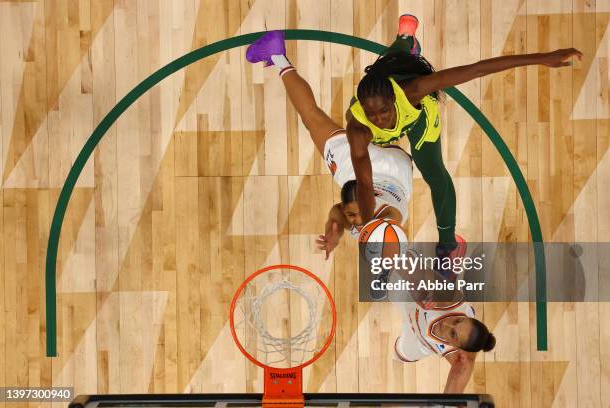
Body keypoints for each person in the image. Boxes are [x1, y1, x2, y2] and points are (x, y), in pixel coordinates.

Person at [246, 15, 582, 278]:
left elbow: (477, 69)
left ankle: (401, 42)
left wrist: (543, 58)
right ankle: (447, 247)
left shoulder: (413, 90)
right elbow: (363, 182)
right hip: (382, 164)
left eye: (383, 110)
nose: (379, 118)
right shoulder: (358, 122)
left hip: (415, 122)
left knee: (431, 171)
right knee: (322, 115)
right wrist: (365, 218)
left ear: (394, 96)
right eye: (373, 112)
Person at [245, 32, 413, 260]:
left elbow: (339, 211)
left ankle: (405, 50)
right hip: (385, 169)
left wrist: (334, 228)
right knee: (311, 116)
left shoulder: (361, 217)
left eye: (350, 214)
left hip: (397, 169)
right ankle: (277, 54)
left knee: (379, 98)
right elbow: (392, 240)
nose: (354, 219)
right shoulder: (384, 222)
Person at [388, 250, 496, 393]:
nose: (447, 323)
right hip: (411, 303)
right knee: (395, 278)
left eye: (453, 333)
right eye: (458, 320)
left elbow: (451, 398)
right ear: (465, 316)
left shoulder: (460, 359)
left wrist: (455, 377)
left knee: (400, 353)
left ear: (456, 346)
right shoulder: (451, 298)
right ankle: (413, 262)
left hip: (421, 342)